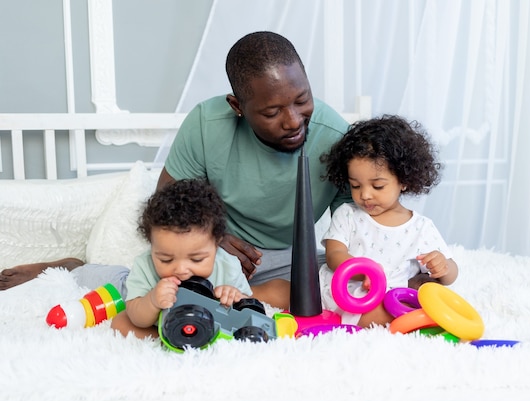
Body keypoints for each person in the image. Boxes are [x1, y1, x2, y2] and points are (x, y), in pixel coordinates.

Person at [1, 31, 352, 310]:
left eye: (302, 100)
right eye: (272, 112)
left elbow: (358, 221)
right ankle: (76, 268)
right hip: (212, 250)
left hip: (294, 258)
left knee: (336, 289)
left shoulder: (336, 136)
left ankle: (246, 296)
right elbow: (167, 201)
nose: (293, 121)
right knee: (151, 292)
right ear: (238, 107)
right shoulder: (206, 124)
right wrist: (214, 239)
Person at [318, 115, 458, 328]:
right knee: (290, 290)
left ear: (403, 180)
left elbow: (450, 276)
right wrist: (362, 269)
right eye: (355, 186)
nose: (365, 195)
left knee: (430, 294)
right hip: (347, 292)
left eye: (377, 186)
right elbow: (333, 255)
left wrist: (443, 266)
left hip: (392, 297)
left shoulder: (421, 227)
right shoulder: (347, 214)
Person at [111, 178, 253, 339]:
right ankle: (168, 340)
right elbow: (136, 317)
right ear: (152, 245)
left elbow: (250, 311)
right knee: (120, 322)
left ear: (217, 243)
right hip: (163, 324)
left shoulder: (227, 265)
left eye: (197, 259)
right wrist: (152, 301)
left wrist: (236, 298)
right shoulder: (145, 265)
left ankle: (199, 340)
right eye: (166, 260)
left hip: (211, 326)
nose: (181, 270)